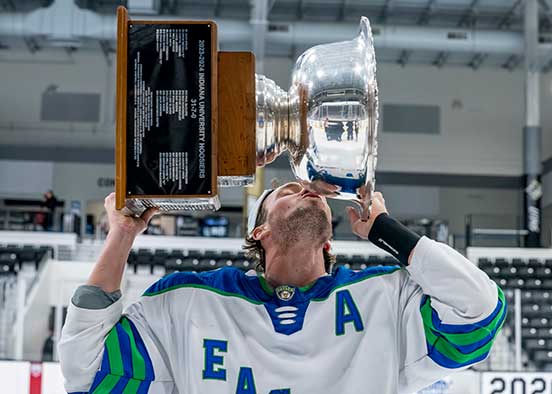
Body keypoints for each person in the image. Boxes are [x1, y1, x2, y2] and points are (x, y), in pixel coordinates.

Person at [58, 184, 505, 394]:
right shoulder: (189, 300)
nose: (307, 190)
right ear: (258, 232)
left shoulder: (385, 296)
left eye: (314, 192)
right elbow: (87, 368)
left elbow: (480, 312)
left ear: (329, 237)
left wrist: (386, 231)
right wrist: (121, 234)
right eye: (288, 190)